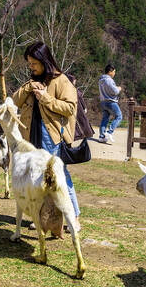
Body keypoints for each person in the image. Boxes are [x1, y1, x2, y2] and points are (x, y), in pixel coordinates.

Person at [11, 41, 81, 231]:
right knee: (38, 177)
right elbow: (14, 101)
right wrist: (28, 88)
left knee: (59, 174)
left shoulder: (61, 80)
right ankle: (41, 217)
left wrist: (46, 98)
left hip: (51, 136)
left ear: (44, 60)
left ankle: (73, 217)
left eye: (34, 63)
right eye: (29, 64)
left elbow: (70, 108)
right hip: (30, 135)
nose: (31, 67)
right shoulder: (32, 80)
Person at [97, 64, 122, 144]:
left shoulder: (101, 80)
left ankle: (102, 137)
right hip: (110, 102)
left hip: (103, 102)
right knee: (119, 116)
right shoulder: (109, 80)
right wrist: (119, 88)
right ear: (110, 72)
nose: (114, 73)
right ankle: (109, 132)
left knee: (105, 118)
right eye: (114, 72)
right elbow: (115, 91)